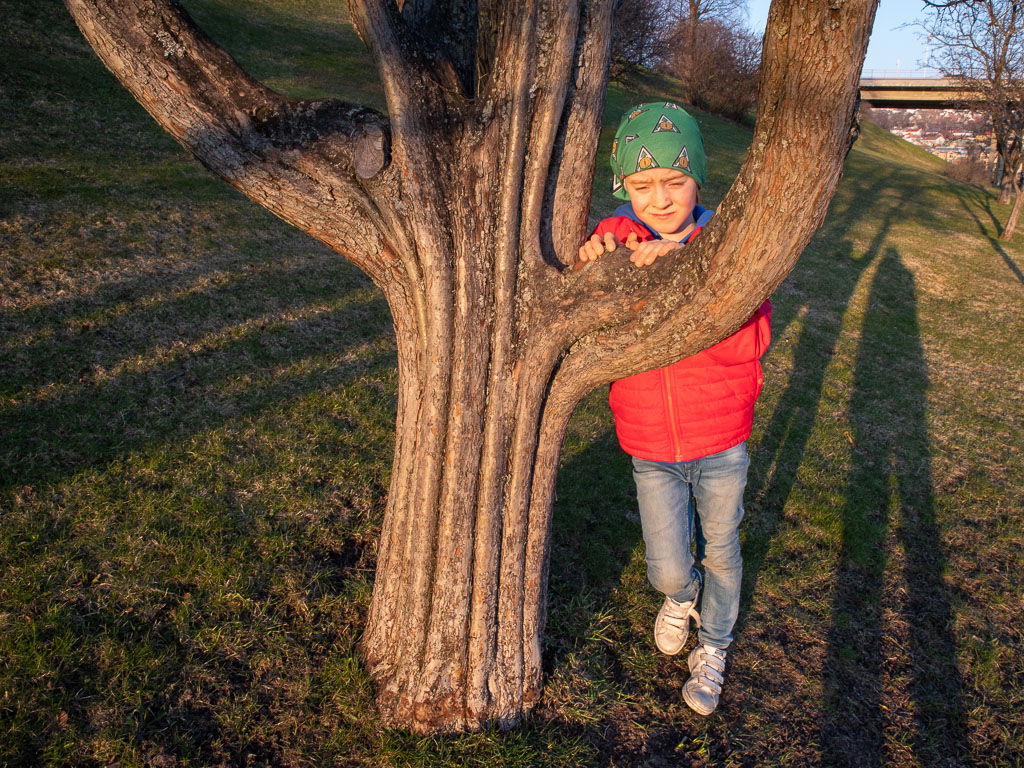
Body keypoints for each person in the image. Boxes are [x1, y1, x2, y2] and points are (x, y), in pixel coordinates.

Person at [578, 102, 771, 716]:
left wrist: (688, 274)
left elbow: (751, 343)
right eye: (641, 186)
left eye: (675, 182)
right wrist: (604, 251)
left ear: (698, 179)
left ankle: (715, 644)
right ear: (623, 187)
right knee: (667, 567)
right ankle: (679, 597)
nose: (659, 200)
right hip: (649, 443)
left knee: (722, 549)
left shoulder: (727, 252)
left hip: (720, 440)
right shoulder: (621, 243)